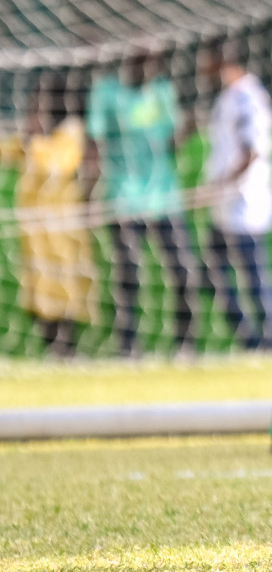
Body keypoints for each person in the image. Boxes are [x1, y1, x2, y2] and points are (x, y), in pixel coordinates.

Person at [87, 48, 201, 357]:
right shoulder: (107, 93)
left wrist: (188, 129)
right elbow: (95, 145)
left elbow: (170, 143)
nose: (151, 68)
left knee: (185, 271)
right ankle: (128, 346)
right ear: (131, 62)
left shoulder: (163, 92)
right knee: (129, 274)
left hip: (164, 196)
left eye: (156, 62)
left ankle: (186, 345)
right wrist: (89, 191)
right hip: (124, 198)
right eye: (144, 61)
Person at [201, 37, 272, 351]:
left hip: (244, 205)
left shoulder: (249, 97)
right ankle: (251, 339)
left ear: (221, 61)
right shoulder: (228, 97)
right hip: (224, 208)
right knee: (213, 273)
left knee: (254, 276)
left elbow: (253, 152)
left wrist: (225, 183)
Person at [2, 72, 94, 355]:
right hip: (35, 231)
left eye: (40, 98)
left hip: (62, 229)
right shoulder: (33, 134)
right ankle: (52, 350)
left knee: (64, 286)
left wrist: (33, 141)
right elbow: (6, 152)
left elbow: (59, 165)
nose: (35, 103)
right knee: (39, 289)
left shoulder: (70, 130)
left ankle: (68, 350)